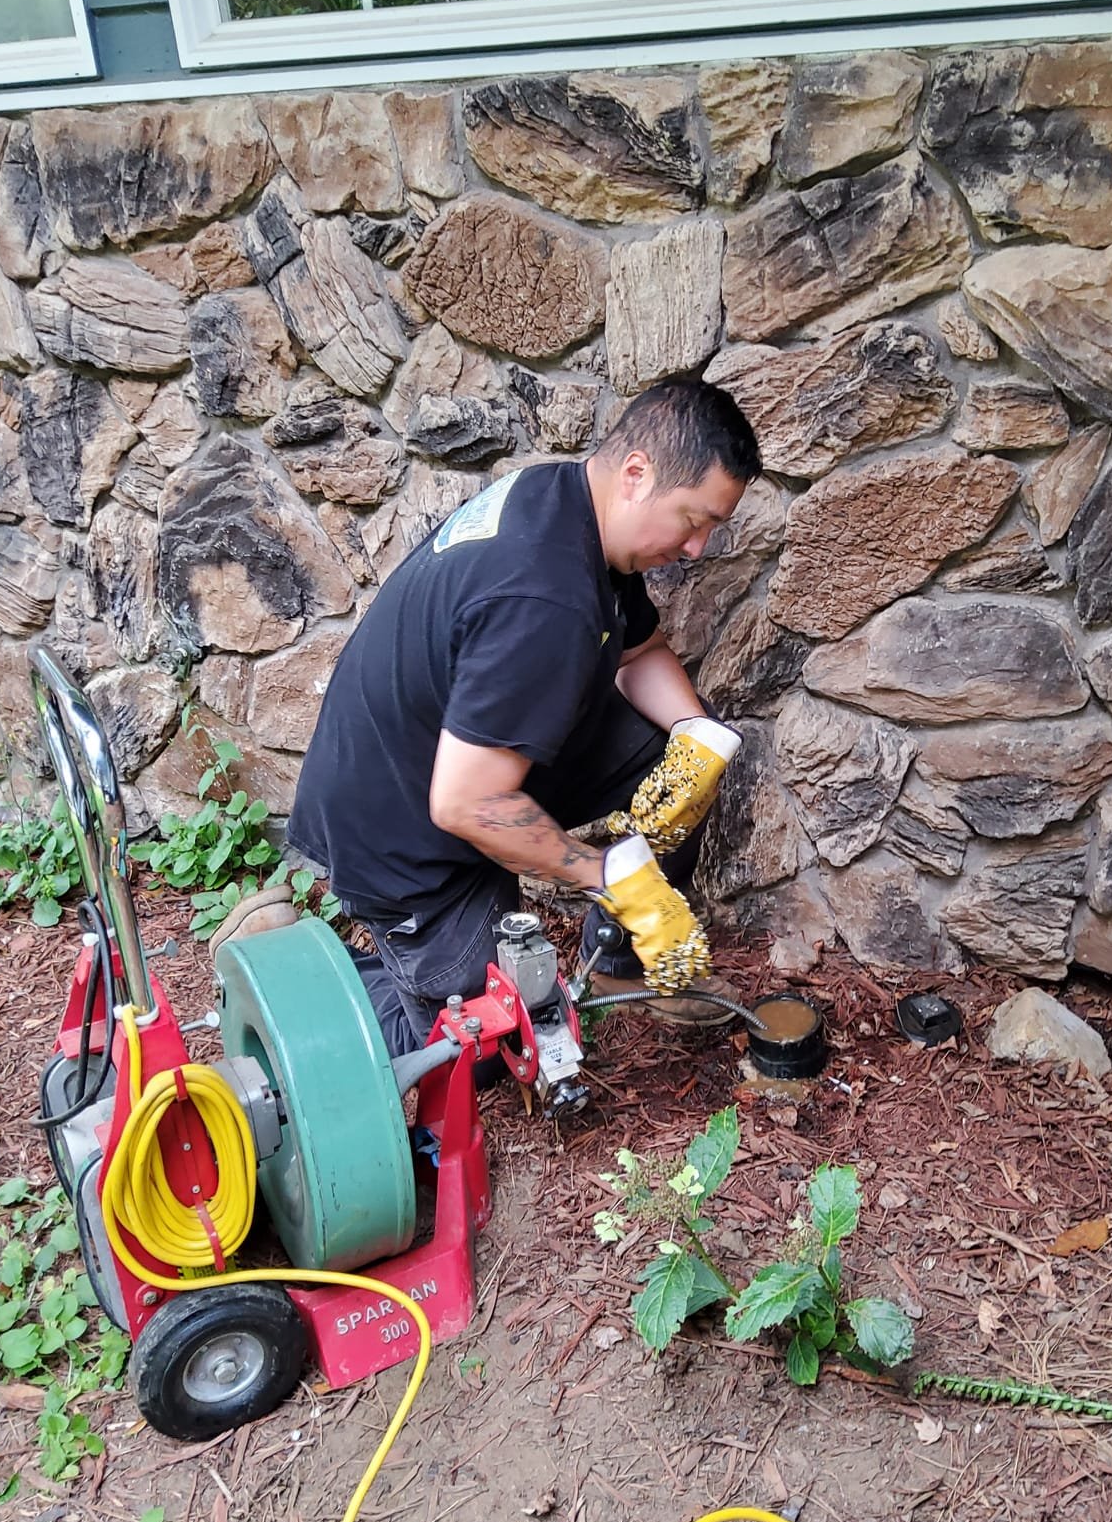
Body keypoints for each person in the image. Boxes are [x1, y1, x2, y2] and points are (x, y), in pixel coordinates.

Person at [213, 376, 762, 1059]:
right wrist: (607, 873)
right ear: (636, 473)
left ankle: (621, 958)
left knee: (675, 768)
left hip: (473, 758)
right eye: (693, 520)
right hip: (400, 827)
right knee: (480, 1038)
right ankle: (282, 976)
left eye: (712, 526)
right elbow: (464, 801)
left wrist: (695, 734)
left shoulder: (577, 506)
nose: (697, 549)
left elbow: (637, 647)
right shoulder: (544, 595)